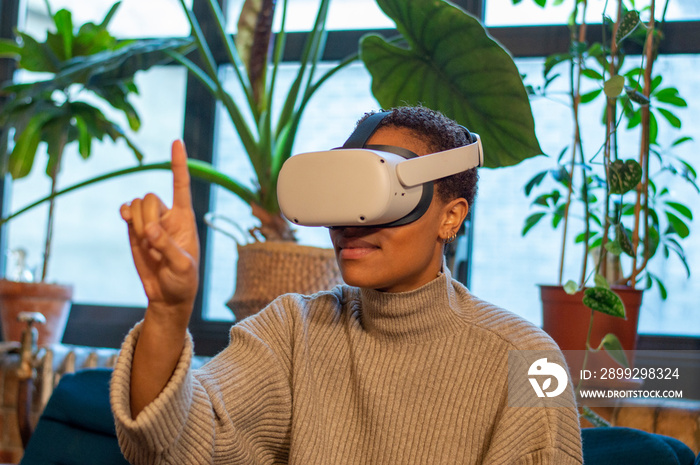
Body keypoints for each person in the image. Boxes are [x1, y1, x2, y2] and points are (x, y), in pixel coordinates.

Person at [110, 106, 583, 464]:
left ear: (451, 216)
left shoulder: (529, 359)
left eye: (380, 196)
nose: (351, 225)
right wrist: (169, 314)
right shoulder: (293, 330)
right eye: (343, 198)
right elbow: (172, 442)